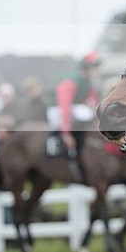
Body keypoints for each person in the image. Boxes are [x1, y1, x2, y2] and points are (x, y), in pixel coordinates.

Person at [49, 52, 102, 181]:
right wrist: (66, 133)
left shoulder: (88, 82)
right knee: (84, 112)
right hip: (57, 110)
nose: (98, 70)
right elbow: (64, 107)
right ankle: (58, 143)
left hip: (72, 110)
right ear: (87, 67)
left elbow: (94, 102)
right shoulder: (71, 81)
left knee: (88, 111)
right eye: (95, 66)